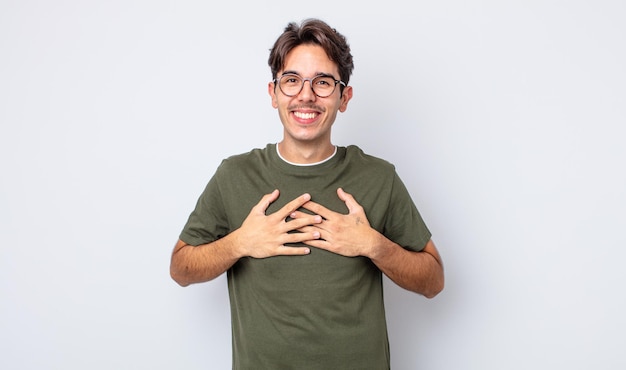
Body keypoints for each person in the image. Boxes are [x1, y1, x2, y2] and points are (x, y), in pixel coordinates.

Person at [170, 18, 444, 370]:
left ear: (344, 97)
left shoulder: (379, 177)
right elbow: (181, 268)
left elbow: (433, 280)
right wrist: (239, 243)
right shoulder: (234, 175)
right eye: (292, 80)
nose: (306, 95)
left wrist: (374, 245)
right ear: (273, 93)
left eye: (323, 82)